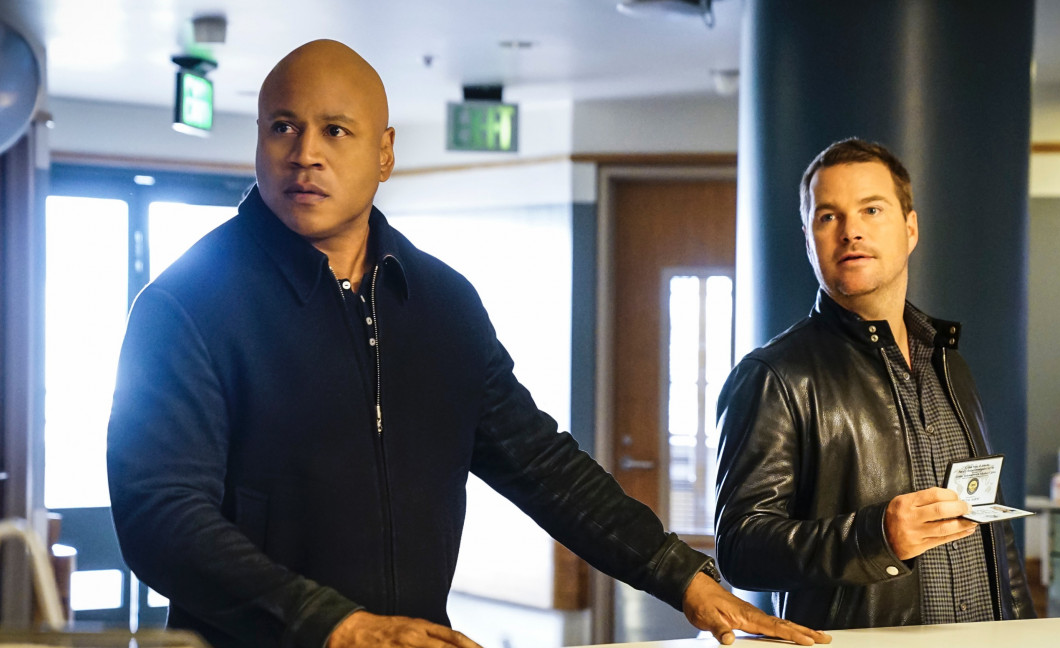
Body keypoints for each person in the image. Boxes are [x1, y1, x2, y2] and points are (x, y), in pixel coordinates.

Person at [106, 39, 830, 648]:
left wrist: (682, 576)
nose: (305, 155)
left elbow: (541, 465)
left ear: (385, 152)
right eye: (283, 127)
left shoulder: (442, 303)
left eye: (336, 131)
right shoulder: (186, 306)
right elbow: (160, 517)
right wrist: (337, 626)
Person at [714, 138, 1035, 630]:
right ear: (809, 240)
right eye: (828, 216)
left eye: (871, 209)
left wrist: (1026, 633)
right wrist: (875, 537)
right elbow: (739, 549)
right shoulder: (773, 377)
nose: (851, 231)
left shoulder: (950, 364)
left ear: (910, 228)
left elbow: (992, 530)